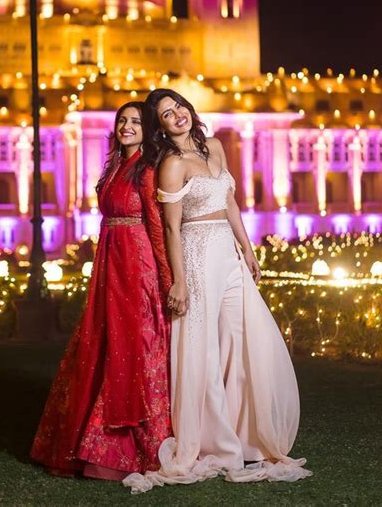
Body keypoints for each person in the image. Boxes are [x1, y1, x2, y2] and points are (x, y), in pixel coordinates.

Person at [124, 89, 311, 493]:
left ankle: (248, 437)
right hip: (196, 252)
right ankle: (216, 443)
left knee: (243, 336)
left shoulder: (214, 147)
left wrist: (246, 246)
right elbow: (172, 227)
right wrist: (179, 279)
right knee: (202, 345)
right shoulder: (172, 164)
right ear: (160, 126)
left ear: (189, 110)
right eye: (165, 114)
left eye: (179, 108)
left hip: (226, 249)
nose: (176, 116)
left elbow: (229, 201)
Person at [31, 102, 172, 481]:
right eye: (122, 121)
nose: (127, 127)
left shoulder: (146, 168)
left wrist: (166, 277)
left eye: (135, 122)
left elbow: (157, 226)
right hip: (111, 259)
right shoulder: (114, 166)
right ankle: (84, 441)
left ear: (147, 130)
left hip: (137, 263)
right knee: (103, 341)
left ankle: (137, 445)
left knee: (136, 343)